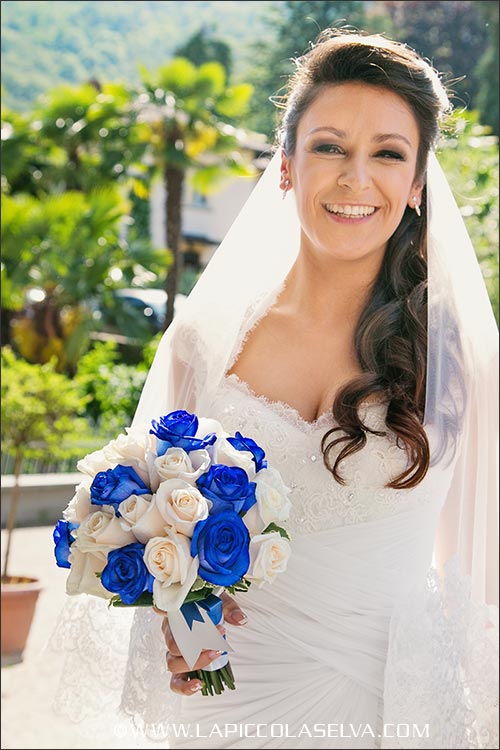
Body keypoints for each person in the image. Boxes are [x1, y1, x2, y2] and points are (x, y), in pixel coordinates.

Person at [50, 29, 498, 749]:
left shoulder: (458, 358)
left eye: (387, 153)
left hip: (392, 712)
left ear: (416, 184)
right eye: (329, 146)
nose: (357, 178)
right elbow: (160, 520)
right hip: (223, 709)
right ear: (285, 166)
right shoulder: (207, 339)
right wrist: (177, 618)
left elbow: (483, 572)